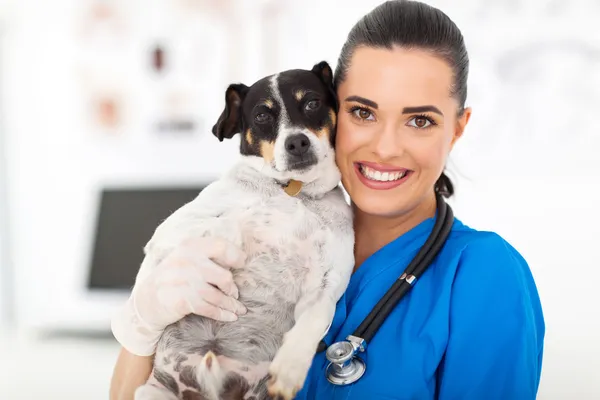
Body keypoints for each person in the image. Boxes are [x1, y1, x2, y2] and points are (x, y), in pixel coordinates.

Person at [109, 1, 545, 399]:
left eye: (420, 120)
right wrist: (141, 325)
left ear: (458, 127)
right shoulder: (258, 235)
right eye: (364, 112)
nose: (386, 147)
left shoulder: (484, 273)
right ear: (333, 111)